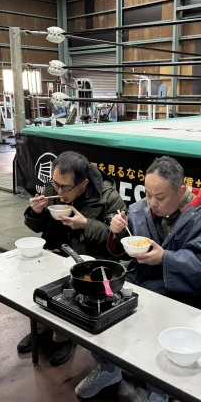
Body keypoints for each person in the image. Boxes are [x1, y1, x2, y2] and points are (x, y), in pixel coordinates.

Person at [75, 156, 201, 402]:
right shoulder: (140, 209)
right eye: (147, 193)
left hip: (184, 295)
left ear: (180, 190)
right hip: (141, 285)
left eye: (159, 197)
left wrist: (166, 258)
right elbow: (120, 250)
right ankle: (107, 368)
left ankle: (158, 393)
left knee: (164, 335)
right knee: (103, 310)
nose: (151, 202)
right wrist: (115, 234)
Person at [18, 151, 126, 366]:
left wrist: (86, 224)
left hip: (87, 260)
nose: (58, 191)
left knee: (72, 290)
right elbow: (36, 226)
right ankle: (40, 326)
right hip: (54, 249)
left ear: (83, 183)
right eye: (55, 184)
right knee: (42, 283)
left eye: (65, 188)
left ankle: (65, 336)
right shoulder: (55, 187)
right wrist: (35, 212)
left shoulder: (109, 197)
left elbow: (117, 242)